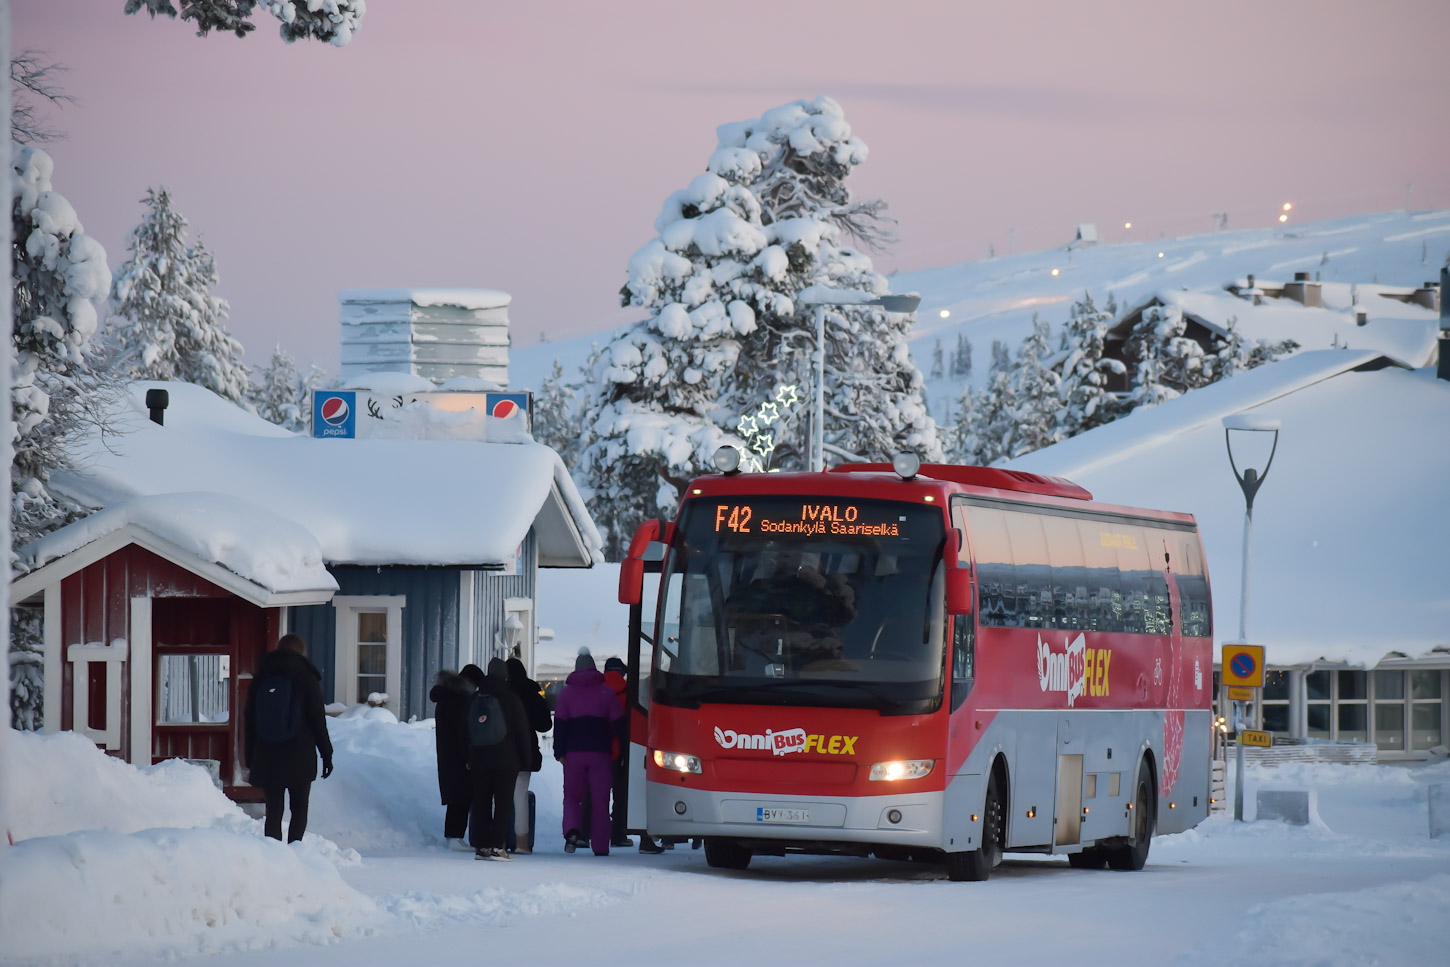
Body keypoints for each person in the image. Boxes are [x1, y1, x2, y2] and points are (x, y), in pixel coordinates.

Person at [244, 633, 333, 843]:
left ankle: (273, 856)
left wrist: (250, 757)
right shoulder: (306, 677)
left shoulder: (262, 677)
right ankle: (295, 853)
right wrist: (326, 755)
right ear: (301, 652)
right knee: (299, 807)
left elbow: (250, 721)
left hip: (267, 754)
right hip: (299, 755)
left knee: (274, 810)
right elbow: (317, 720)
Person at [553, 648, 624, 856]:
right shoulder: (607, 693)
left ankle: (573, 833)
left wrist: (559, 753)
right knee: (601, 801)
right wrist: (622, 753)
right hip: (601, 754)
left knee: (573, 797)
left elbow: (560, 726)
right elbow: (619, 725)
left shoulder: (566, 694)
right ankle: (601, 846)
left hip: (574, 754)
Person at [467, 658, 531, 861]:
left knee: (481, 802)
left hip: (478, 758)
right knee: (503, 803)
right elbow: (522, 731)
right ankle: (497, 847)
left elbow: (465, 730)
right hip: (506, 759)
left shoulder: (474, 698)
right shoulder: (510, 698)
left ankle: (482, 846)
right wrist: (525, 758)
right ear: (505, 675)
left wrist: (467, 756)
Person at [504, 656, 551, 854]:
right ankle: (522, 843)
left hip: (502, 751)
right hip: (525, 751)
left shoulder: (502, 693)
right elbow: (545, 725)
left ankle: (499, 840)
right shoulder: (533, 694)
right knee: (520, 797)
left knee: (500, 797)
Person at [431, 666, 478, 852]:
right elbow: (463, 732)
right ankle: (455, 836)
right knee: (462, 796)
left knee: (456, 797)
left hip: (448, 755)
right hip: (459, 756)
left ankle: (453, 836)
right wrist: (469, 755)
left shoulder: (446, 697)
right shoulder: (458, 700)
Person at [601, 657, 633, 849]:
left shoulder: (596, 691)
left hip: (598, 750)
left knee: (597, 795)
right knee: (620, 796)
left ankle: (591, 832)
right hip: (619, 751)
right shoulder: (629, 692)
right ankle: (618, 834)